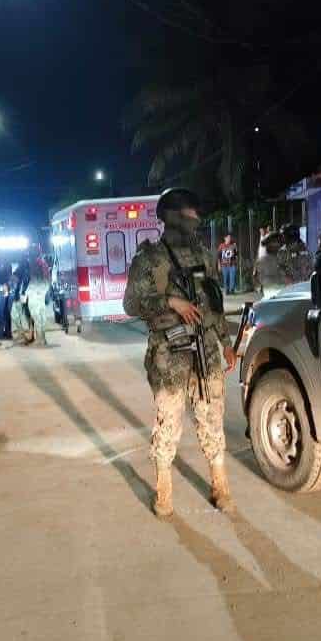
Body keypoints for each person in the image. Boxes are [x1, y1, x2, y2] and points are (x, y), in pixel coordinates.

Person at [124, 187, 237, 518]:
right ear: (172, 217)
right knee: (169, 421)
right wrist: (170, 302)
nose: (196, 220)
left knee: (212, 417)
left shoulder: (204, 256)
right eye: (190, 214)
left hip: (206, 350)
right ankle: (164, 490)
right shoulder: (149, 259)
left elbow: (214, 304)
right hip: (169, 355)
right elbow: (130, 304)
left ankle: (220, 485)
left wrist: (226, 342)